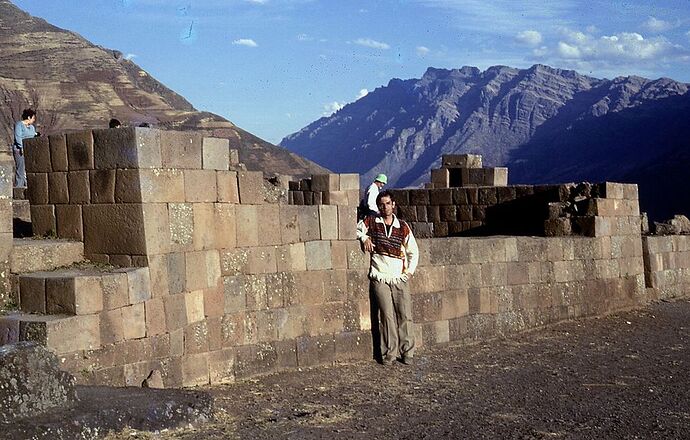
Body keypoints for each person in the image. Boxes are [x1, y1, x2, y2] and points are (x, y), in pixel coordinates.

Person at [357, 190, 419, 365]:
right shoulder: (372, 221)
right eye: (381, 204)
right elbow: (356, 229)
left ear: (393, 205)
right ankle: (389, 353)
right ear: (378, 206)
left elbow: (413, 250)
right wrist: (363, 238)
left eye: (388, 203)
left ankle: (407, 352)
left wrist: (409, 272)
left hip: (399, 277)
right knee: (386, 316)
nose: (385, 207)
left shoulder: (403, 226)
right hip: (380, 275)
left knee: (405, 314)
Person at [12, 109, 38, 188]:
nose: (34, 120)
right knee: (21, 168)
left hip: (30, 150)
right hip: (19, 150)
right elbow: (18, 137)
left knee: (28, 169)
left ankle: (28, 187)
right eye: (33, 118)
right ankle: (19, 187)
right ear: (29, 117)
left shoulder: (32, 127)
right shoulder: (19, 125)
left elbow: (33, 137)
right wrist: (22, 147)